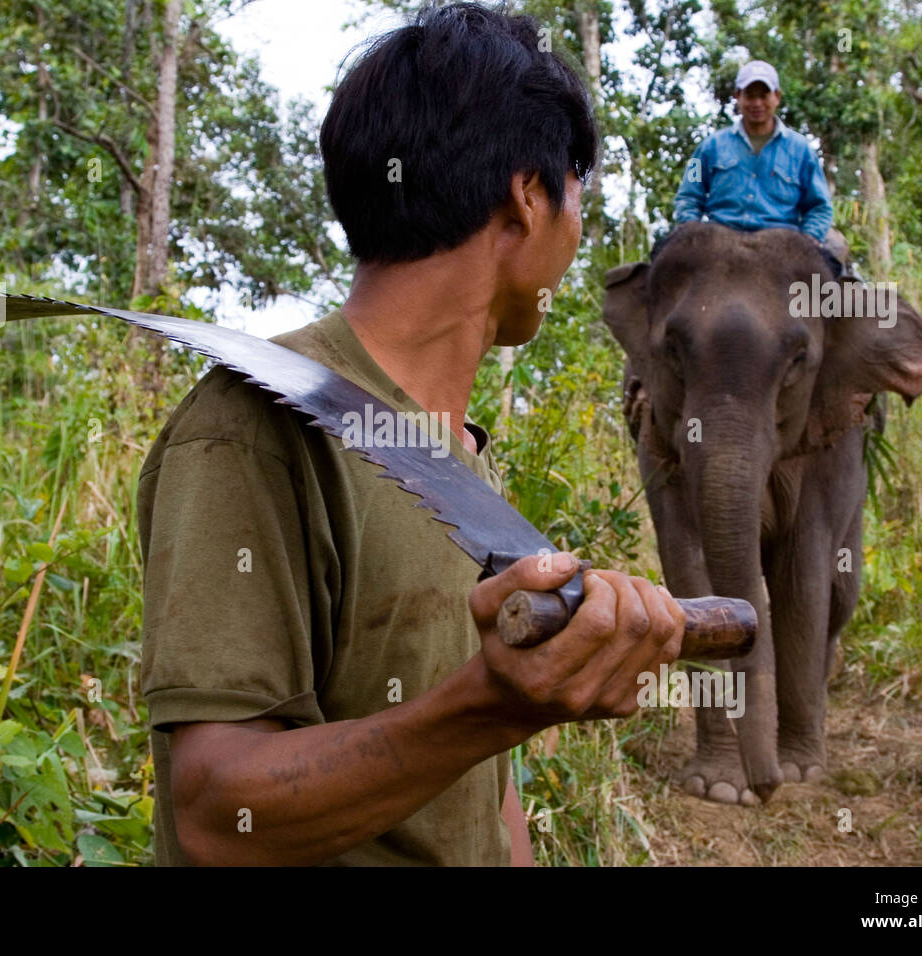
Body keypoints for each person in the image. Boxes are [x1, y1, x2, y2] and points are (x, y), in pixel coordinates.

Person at [138, 2, 685, 867]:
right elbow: (215, 810)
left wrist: (493, 720)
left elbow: (476, 784)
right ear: (530, 197)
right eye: (575, 188)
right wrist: (489, 707)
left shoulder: (456, 463)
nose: (578, 228)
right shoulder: (253, 424)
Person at [673, 60, 835, 248]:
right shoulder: (709, 147)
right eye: (750, 96)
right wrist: (691, 227)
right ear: (737, 97)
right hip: (719, 242)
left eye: (764, 95)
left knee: (833, 268)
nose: (757, 103)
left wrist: (809, 239)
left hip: (781, 244)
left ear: (777, 97)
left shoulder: (802, 151)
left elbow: (820, 206)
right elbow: (688, 196)